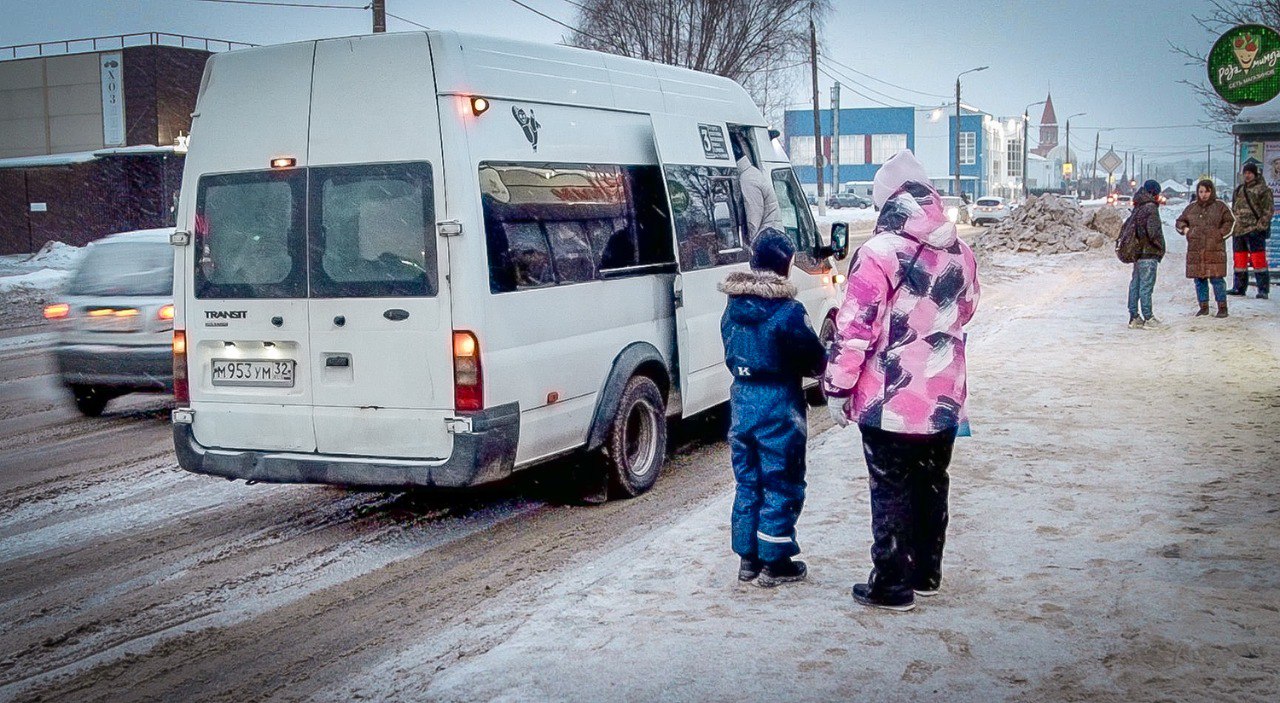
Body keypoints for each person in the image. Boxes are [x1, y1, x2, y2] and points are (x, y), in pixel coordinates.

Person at [822, 150, 980, 612]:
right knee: (933, 481)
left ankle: (891, 584)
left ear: (887, 201)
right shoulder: (961, 251)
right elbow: (967, 309)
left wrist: (836, 388)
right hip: (944, 394)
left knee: (890, 486)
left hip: (889, 396)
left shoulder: (877, 253)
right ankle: (926, 572)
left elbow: (854, 331)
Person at [719, 230, 826, 588]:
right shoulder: (788, 311)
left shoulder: (733, 308)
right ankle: (775, 561)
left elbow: (730, 353)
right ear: (786, 265)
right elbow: (813, 358)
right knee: (782, 479)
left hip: (742, 401)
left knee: (748, 481)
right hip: (779, 403)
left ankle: (747, 558)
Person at [1176, 179, 1234, 318]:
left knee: (1217, 279)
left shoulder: (1220, 206)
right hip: (1196, 251)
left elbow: (1230, 222)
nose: (1204, 194)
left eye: (1207, 191)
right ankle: (1203, 307)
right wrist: (1186, 230)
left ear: (1212, 191)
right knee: (1200, 280)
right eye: (1201, 191)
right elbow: (1180, 221)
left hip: (1215, 250)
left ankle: (1222, 307)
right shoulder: (1191, 208)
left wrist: (1220, 234)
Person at [1124, 180, 1167, 329]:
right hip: (1149, 252)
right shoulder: (1151, 208)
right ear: (1154, 193)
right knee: (1146, 286)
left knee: (1135, 285)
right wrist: (1160, 246)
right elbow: (1153, 232)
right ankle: (1149, 317)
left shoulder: (1138, 206)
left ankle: (1134, 316)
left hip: (1137, 253)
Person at [1229, 163, 1272, 299]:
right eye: (1245, 173)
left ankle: (1263, 290)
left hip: (1255, 231)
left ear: (1255, 174)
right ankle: (1239, 287)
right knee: (1239, 262)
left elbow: (1268, 210)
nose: (1247, 175)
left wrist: (1261, 226)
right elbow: (1234, 208)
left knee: (1258, 261)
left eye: (1250, 173)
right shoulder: (1239, 190)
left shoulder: (1263, 190)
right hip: (1239, 231)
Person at [731, 135, 783, 243]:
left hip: (768, 245)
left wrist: (746, 246)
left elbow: (753, 223)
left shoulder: (747, 180)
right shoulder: (751, 173)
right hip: (772, 241)